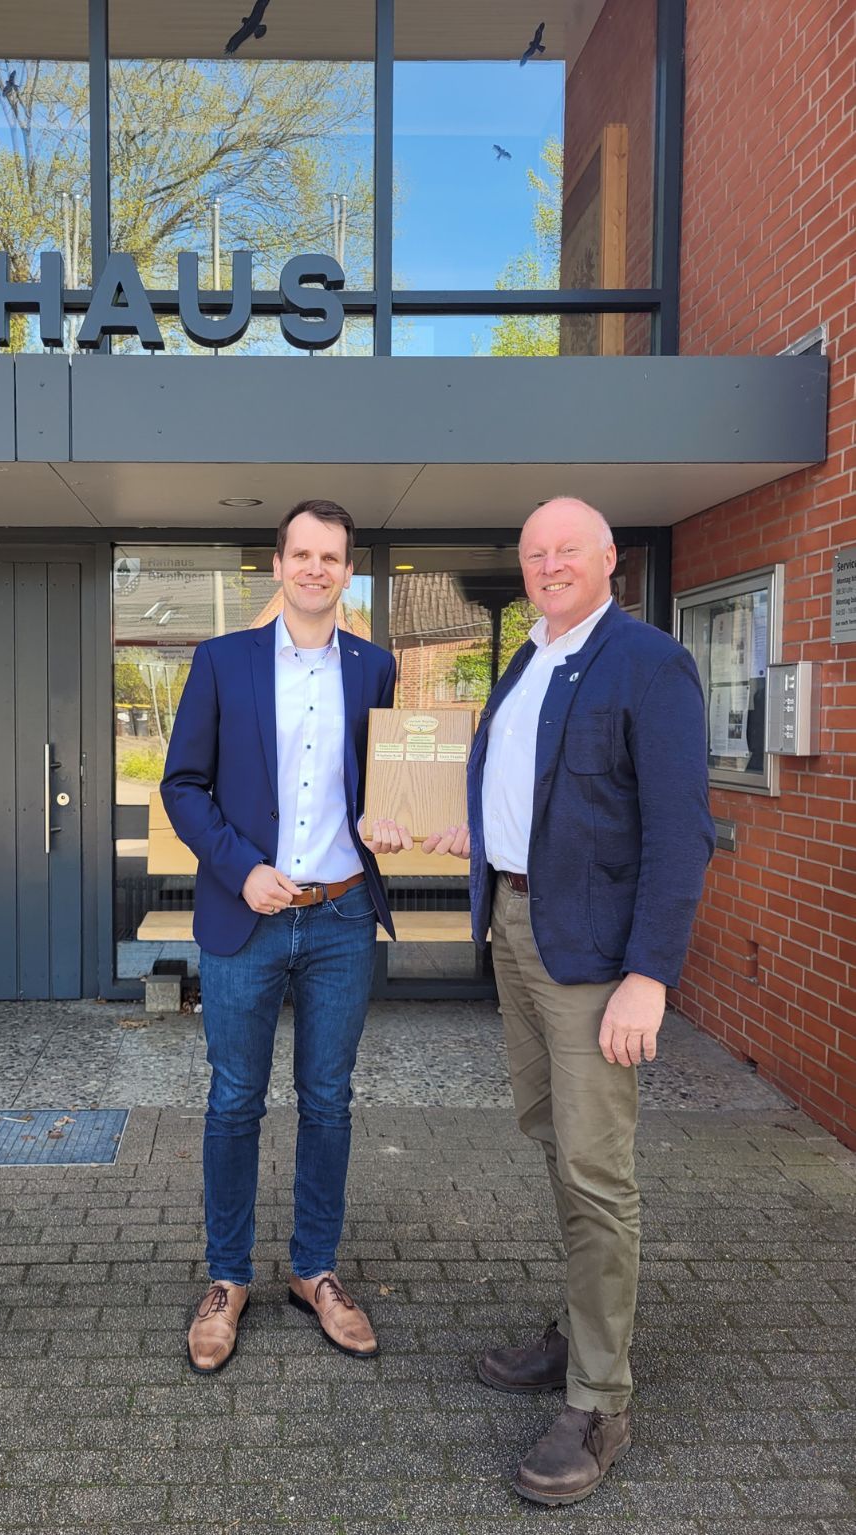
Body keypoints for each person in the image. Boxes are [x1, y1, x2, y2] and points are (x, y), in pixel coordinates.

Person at [421, 497, 714, 1506]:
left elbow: (681, 833)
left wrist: (649, 972)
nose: (546, 564)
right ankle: (581, 1328)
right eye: (532, 551)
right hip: (514, 925)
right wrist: (486, 841)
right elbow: (543, 793)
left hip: (593, 960)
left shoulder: (645, 662)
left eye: (564, 550)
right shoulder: (531, 656)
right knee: (552, 1135)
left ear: (606, 560)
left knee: (594, 1170)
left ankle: (598, 1395)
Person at [161, 499, 399, 1375]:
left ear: (347, 571)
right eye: (301, 553)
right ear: (278, 564)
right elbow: (182, 786)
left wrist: (406, 819)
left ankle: (313, 1269)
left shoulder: (376, 666)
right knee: (233, 1101)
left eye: (331, 556)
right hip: (247, 914)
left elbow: (383, 783)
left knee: (328, 1100)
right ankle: (226, 1278)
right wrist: (240, 867)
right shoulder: (221, 662)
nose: (314, 568)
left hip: (339, 916)